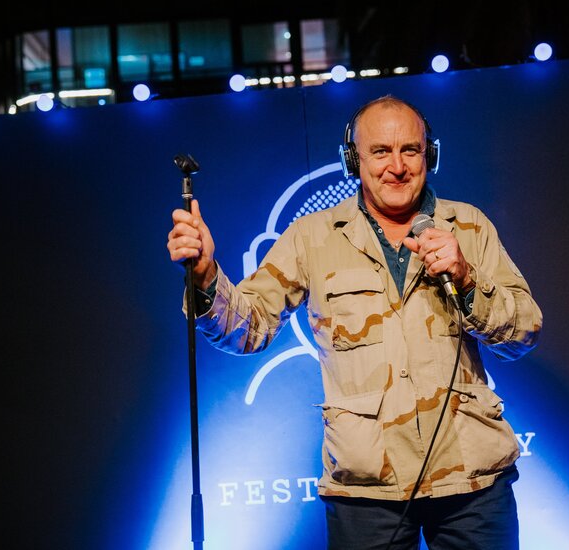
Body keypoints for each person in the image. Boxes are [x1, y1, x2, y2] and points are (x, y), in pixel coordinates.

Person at [167, 94, 542, 549]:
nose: (397, 166)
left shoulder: (471, 227)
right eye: (380, 152)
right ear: (353, 160)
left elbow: (523, 331)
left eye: (411, 150)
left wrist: (466, 279)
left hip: (472, 483)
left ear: (431, 155)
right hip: (366, 488)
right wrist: (206, 274)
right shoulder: (311, 236)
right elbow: (249, 328)